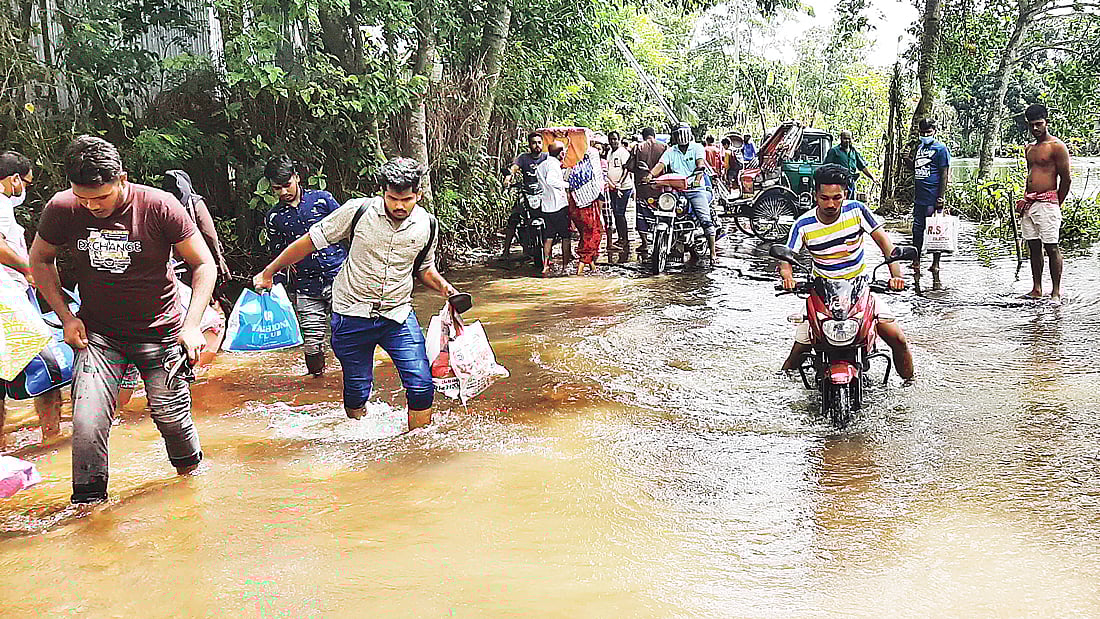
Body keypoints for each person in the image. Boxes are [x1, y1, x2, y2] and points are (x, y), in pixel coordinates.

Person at [30, 135, 216, 504]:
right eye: (83, 197)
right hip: (99, 334)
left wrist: (192, 325)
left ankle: (192, 486)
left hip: (161, 332)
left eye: (101, 197)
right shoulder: (63, 208)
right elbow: (40, 259)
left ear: (123, 179)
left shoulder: (159, 206)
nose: (91, 206)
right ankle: (89, 510)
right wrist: (66, 317)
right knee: (86, 423)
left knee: (171, 420)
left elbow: (203, 264)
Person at [253, 158, 463, 431]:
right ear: (382, 192)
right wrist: (270, 271)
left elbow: (424, 270)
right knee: (357, 390)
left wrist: (447, 289)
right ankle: (358, 436)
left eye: (407, 199)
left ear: (419, 194)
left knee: (421, 385)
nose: (399, 206)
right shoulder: (357, 211)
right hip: (351, 313)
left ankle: (417, 452)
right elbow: (308, 242)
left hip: (397, 315)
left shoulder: (428, 225)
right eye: (392, 198)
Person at [779, 164, 914, 380]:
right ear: (815, 195)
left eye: (836, 197)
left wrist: (896, 277)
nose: (830, 203)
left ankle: (910, 387)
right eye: (824, 198)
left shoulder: (857, 211)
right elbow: (786, 258)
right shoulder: (802, 225)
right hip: (822, 293)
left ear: (846, 194)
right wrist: (788, 278)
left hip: (860, 289)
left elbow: (886, 247)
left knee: (898, 339)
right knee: (798, 350)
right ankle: (780, 389)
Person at [116, 170, 230, 410]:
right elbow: (210, 241)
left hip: (171, 281)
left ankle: (116, 414)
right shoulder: (188, 205)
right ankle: (191, 377)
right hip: (180, 280)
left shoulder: (148, 211)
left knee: (125, 381)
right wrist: (220, 276)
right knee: (211, 325)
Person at [263, 155, 347, 377]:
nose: (283, 192)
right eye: (276, 188)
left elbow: (348, 231)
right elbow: (277, 255)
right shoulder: (274, 217)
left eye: (286, 185)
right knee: (311, 343)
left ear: (297, 178)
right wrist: (278, 290)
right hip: (306, 285)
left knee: (346, 333)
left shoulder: (322, 200)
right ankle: (316, 383)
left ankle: (350, 380)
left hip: (340, 277)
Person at [0, 151, 61, 449]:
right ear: (13, 180)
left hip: (9, 298)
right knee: (50, 369)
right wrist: (29, 269)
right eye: (26, 183)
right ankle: (53, 441)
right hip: (7, 301)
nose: (25, 189)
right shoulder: (0, 202)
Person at [1018, 104, 1072, 304]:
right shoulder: (1030, 148)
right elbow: (1030, 175)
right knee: (1033, 247)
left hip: (1048, 203)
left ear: (1046, 122)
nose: (1035, 129)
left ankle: (1056, 292)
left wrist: (1056, 203)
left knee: (1051, 247)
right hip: (1030, 203)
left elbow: (1066, 179)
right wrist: (1025, 197)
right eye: (1031, 125)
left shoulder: (1057, 146)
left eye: (1039, 124)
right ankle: (1036, 288)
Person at [648, 123, 718, 262]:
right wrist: (650, 176)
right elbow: (660, 165)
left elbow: (700, 165)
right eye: (677, 134)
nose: (679, 137)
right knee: (661, 209)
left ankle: (713, 253)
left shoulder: (697, 148)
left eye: (681, 133)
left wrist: (697, 179)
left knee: (705, 220)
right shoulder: (670, 151)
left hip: (695, 188)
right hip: (676, 189)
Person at [911, 118, 951, 288]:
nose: (925, 135)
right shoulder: (920, 148)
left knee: (935, 231)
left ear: (934, 131)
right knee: (917, 229)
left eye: (928, 132)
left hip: (932, 196)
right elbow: (916, 168)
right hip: (919, 196)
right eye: (922, 133)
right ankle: (916, 260)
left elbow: (944, 174)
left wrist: (940, 197)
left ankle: (935, 263)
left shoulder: (941, 149)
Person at [501, 132, 546, 259]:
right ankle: (506, 251)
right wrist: (508, 177)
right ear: (529, 145)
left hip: (542, 193)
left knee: (560, 216)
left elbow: (557, 167)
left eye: (539, 142)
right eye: (534, 143)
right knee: (514, 218)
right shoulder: (524, 158)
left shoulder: (547, 157)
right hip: (527, 193)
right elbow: (514, 168)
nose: (537, 145)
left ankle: (567, 250)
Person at [566, 137, 606, 276]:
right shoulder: (590, 164)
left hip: (575, 206)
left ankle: (592, 266)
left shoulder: (570, 164)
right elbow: (598, 182)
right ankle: (581, 269)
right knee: (592, 234)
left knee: (587, 234)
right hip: (587, 205)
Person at [536, 142, 572, 275]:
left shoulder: (541, 165)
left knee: (549, 237)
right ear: (561, 153)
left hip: (546, 206)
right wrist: (566, 184)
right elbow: (551, 180)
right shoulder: (554, 165)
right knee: (565, 237)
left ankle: (545, 265)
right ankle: (565, 267)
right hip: (559, 206)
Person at [632, 127, 668, 260]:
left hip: (643, 187)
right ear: (654, 135)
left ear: (643, 136)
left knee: (641, 215)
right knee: (663, 212)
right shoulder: (664, 147)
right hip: (660, 187)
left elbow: (631, 166)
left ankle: (645, 243)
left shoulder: (638, 147)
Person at [824, 130, 877, 198]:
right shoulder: (834, 151)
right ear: (841, 139)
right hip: (839, 183)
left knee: (850, 202)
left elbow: (862, 167)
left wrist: (872, 177)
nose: (847, 141)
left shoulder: (854, 152)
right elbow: (827, 167)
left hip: (851, 182)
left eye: (849, 138)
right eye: (845, 138)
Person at [606, 131, 634, 256]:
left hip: (623, 187)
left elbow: (626, 169)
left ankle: (625, 239)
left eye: (615, 139)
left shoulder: (623, 153)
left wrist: (619, 184)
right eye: (611, 139)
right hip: (613, 187)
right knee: (616, 213)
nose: (613, 141)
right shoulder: (609, 153)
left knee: (620, 212)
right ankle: (621, 237)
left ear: (619, 139)